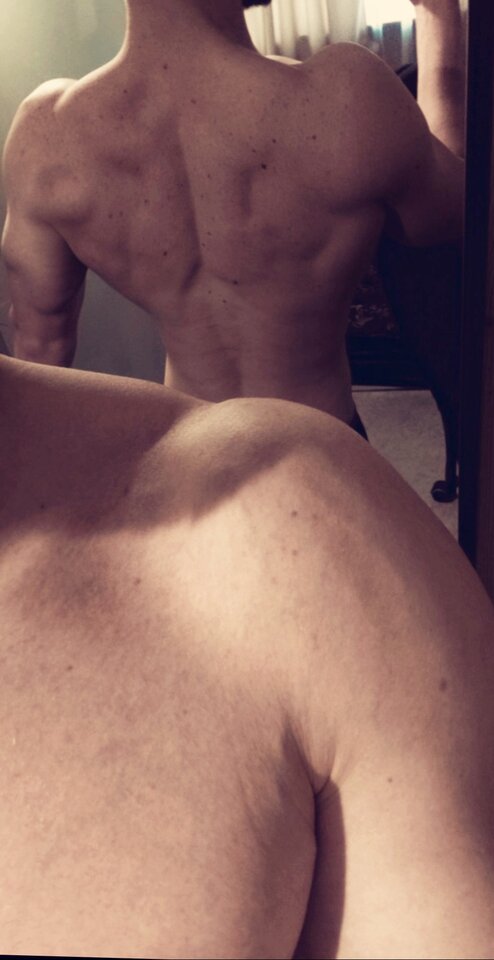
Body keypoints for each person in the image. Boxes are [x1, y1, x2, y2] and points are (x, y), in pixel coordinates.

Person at [1, 348, 493, 959]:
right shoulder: (283, 532)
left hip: (233, 493)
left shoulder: (300, 526)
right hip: (253, 474)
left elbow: (45, 336)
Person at [1, 0, 465, 435]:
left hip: (191, 455)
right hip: (322, 447)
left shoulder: (47, 137)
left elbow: (40, 353)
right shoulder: (347, 95)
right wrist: (439, 17)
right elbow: (454, 215)